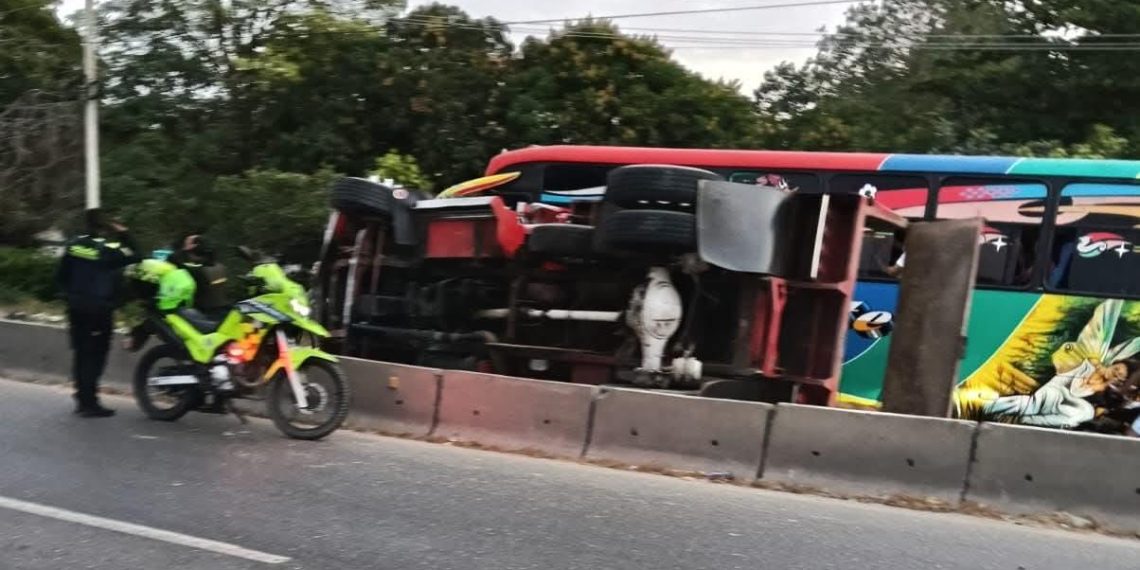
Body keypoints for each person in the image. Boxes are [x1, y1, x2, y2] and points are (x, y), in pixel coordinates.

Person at [56, 209, 140, 417]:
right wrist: (124, 233)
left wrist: (68, 296)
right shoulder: (107, 250)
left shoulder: (73, 245)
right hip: (98, 310)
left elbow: (61, 275)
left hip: (76, 308)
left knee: (81, 352)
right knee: (96, 355)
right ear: (105, 227)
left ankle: (81, 398)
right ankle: (89, 403)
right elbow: (136, 255)